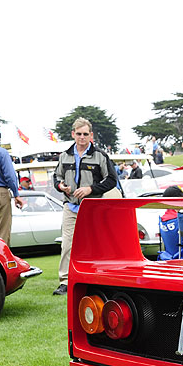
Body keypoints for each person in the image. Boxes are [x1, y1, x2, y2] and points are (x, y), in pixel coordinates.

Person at [52, 118, 117, 295]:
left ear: (91, 135)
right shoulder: (64, 156)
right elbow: (56, 178)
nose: (82, 137)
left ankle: (97, 279)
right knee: (67, 244)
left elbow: (112, 180)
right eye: (78, 134)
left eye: (85, 134)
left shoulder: (100, 156)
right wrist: (61, 187)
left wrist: (91, 189)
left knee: (95, 244)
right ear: (73, 134)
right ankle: (65, 281)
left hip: (93, 208)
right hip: (70, 207)